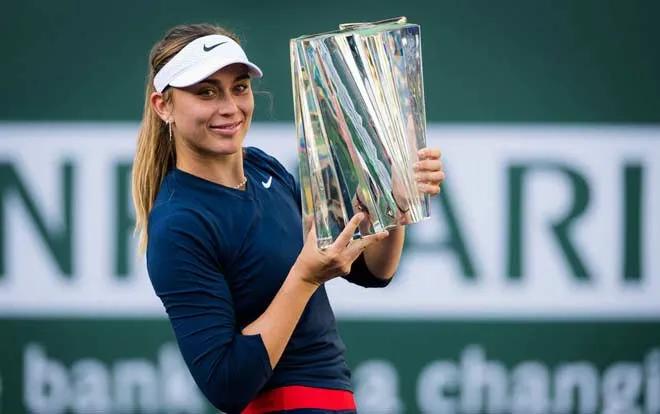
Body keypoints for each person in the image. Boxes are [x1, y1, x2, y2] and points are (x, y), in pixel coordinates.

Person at [131, 23, 445, 414]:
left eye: (239, 87)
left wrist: (395, 207)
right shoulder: (178, 223)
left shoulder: (265, 167)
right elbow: (226, 385)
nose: (229, 106)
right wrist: (305, 278)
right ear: (164, 106)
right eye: (205, 92)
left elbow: (371, 273)